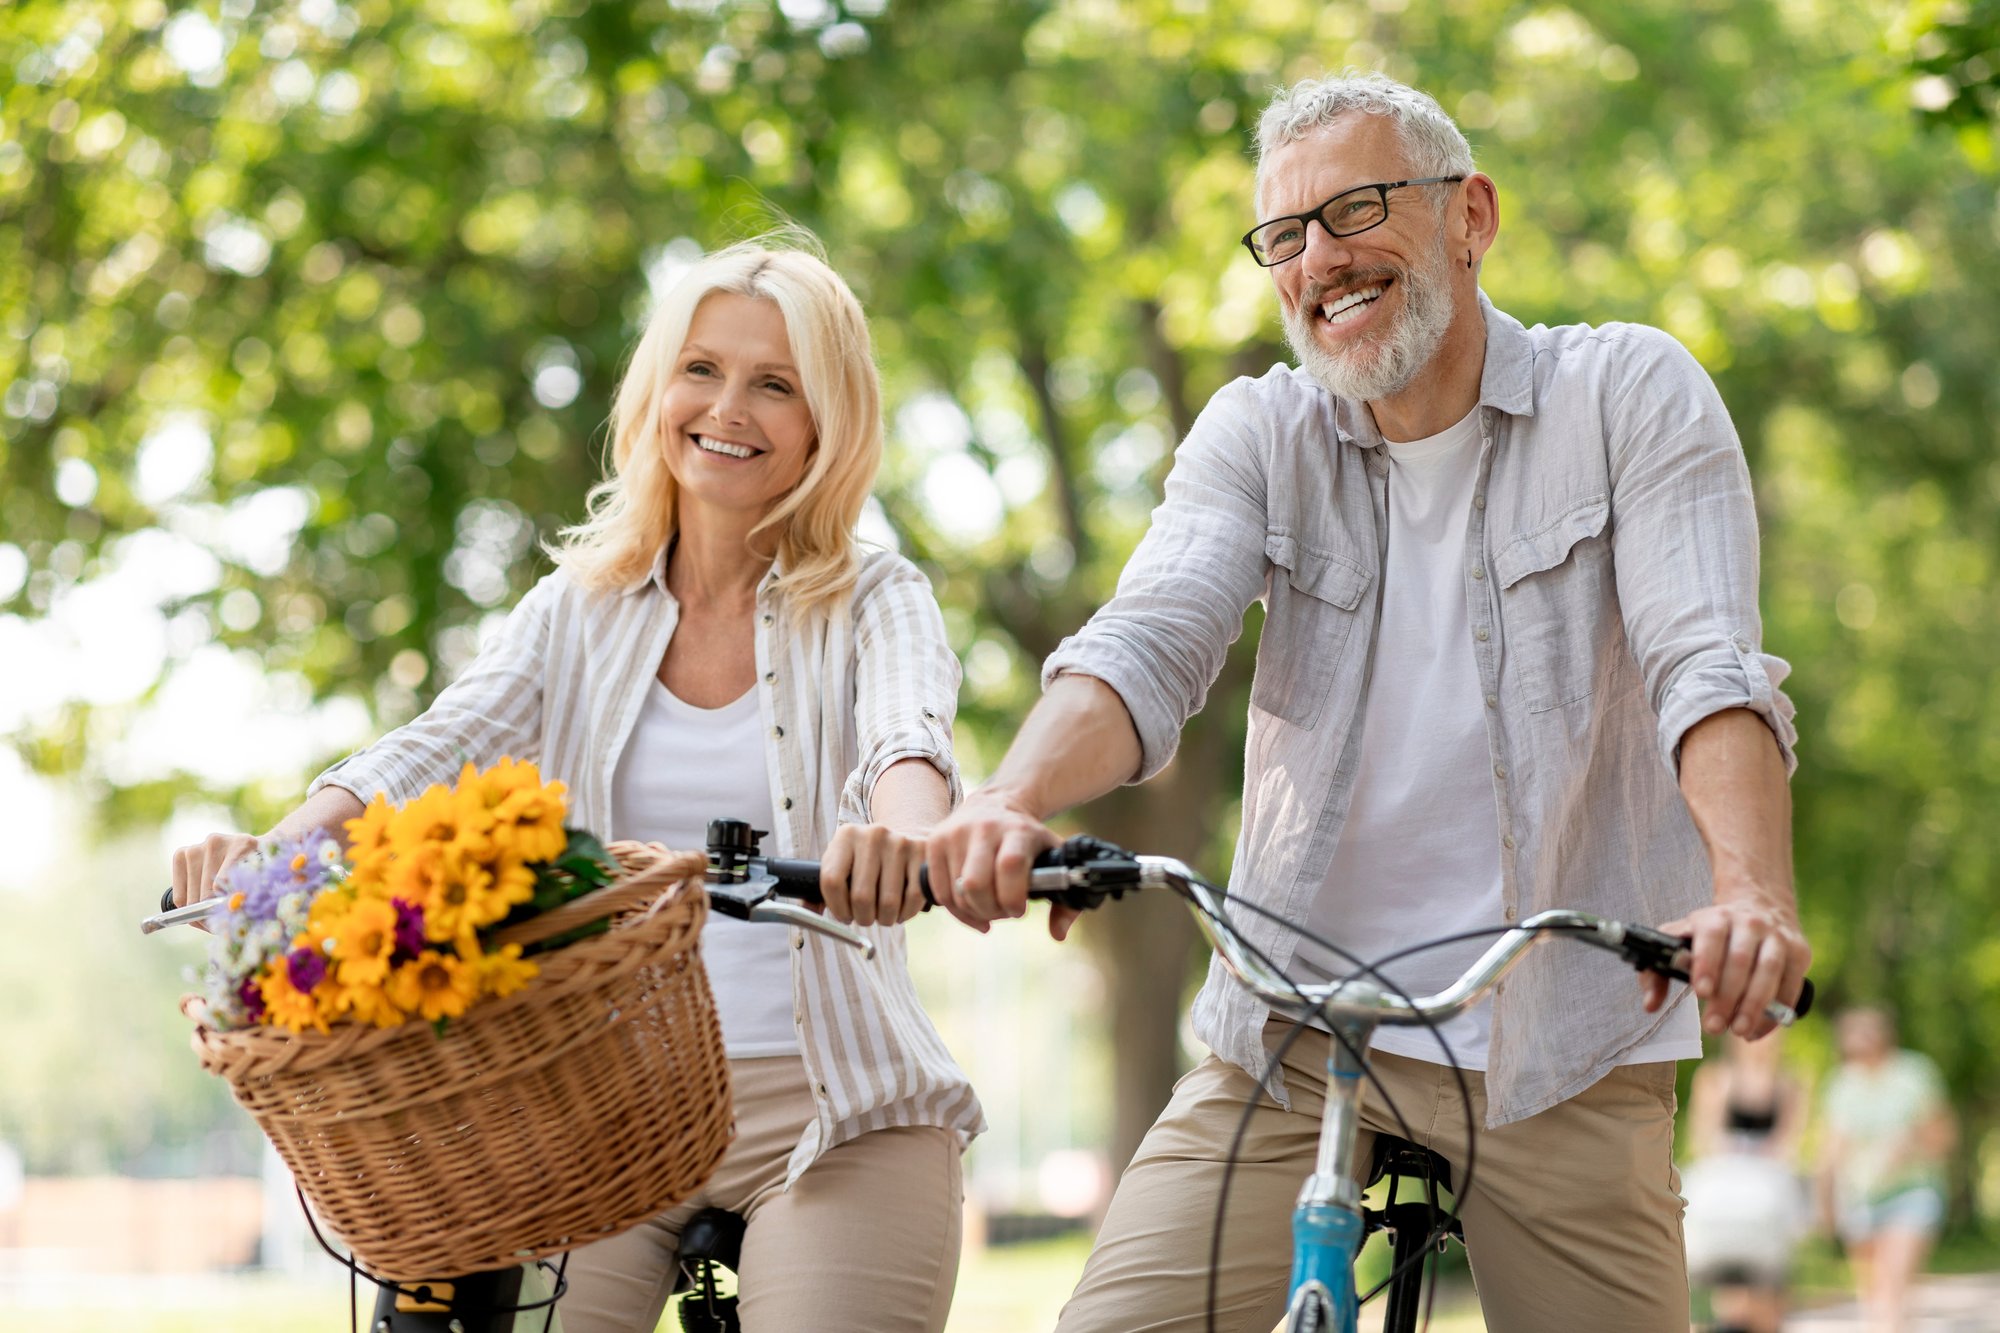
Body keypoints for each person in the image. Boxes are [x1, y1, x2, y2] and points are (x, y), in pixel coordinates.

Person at [927, 70, 1810, 1332]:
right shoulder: (1258, 434)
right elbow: (1152, 634)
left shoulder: (1627, 394)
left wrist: (1748, 896)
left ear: (1469, 215)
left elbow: (1705, 664)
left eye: (1353, 210)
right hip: (1291, 1034)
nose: (1317, 261)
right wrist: (1007, 798)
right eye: (1282, 237)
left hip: (1561, 1047)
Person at [168, 236, 981, 1333]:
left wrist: (908, 841)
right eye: (701, 368)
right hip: (604, 1105)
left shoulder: (874, 596)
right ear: (658, 388)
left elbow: (905, 739)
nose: (727, 406)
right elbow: (436, 747)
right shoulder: (580, 605)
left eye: (774, 384)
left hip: (837, 1110)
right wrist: (278, 853)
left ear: (825, 424)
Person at [1818, 1006, 1955, 1333]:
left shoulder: (1914, 1073)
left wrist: (1913, 1142)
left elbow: (1945, 1135)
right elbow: (1830, 1151)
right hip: (1861, 1198)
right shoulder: (1842, 1084)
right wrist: (1825, 1203)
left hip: (1913, 1192)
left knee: (1894, 1282)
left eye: (1868, 1030)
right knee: (1873, 1294)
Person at [1682, 1034, 1809, 1333]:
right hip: (1726, 1195)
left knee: (1766, 1285)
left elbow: (1789, 1140)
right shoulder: (1715, 1079)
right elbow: (1704, 1135)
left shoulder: (1787, 1083)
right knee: (1729, 1286)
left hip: (1768, 1195)